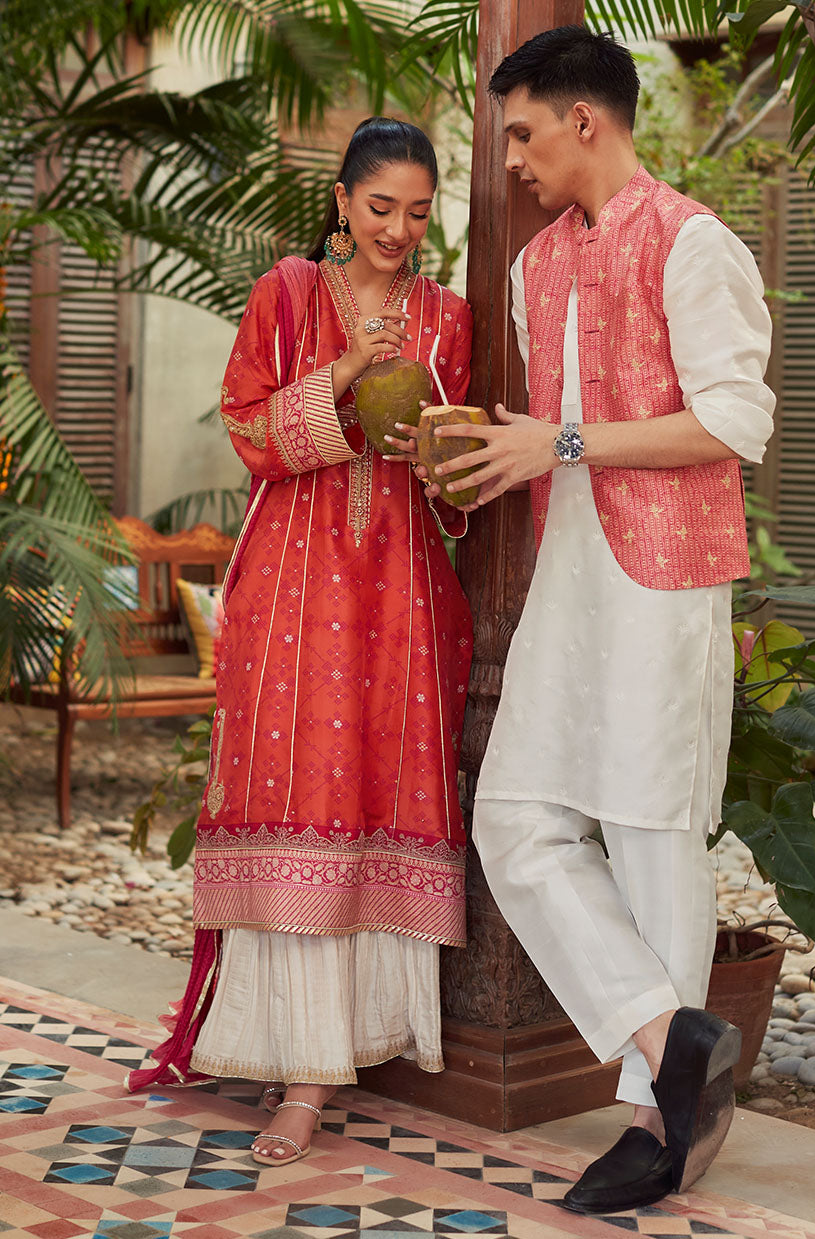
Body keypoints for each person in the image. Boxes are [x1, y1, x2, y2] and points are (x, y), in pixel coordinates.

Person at [426, 27, 776, 1215]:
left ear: (586, 121)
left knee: (650, 833)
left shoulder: (695, 244)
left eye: (522, 131)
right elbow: (552, 438)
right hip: (570, 573)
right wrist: (489, 462)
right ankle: (670, 1035)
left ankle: (653, 1123)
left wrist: (559, 441)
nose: (512, 156)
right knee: (515, 819)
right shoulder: (535, 271)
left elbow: (735, 423)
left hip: (666, 576)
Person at [127, 117, 474, 1169]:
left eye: (418, 213)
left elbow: (458, 477)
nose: (399, 231)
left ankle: (352, 1050)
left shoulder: (446, 318)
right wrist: (337, 376)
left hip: (403, 585)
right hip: (294, 579)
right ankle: (292, 1064)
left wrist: (432, 445)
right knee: (298, 782)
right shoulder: (285, 294)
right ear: (340, 201)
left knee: (379, 787)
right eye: (380, 208)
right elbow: (247, 430)